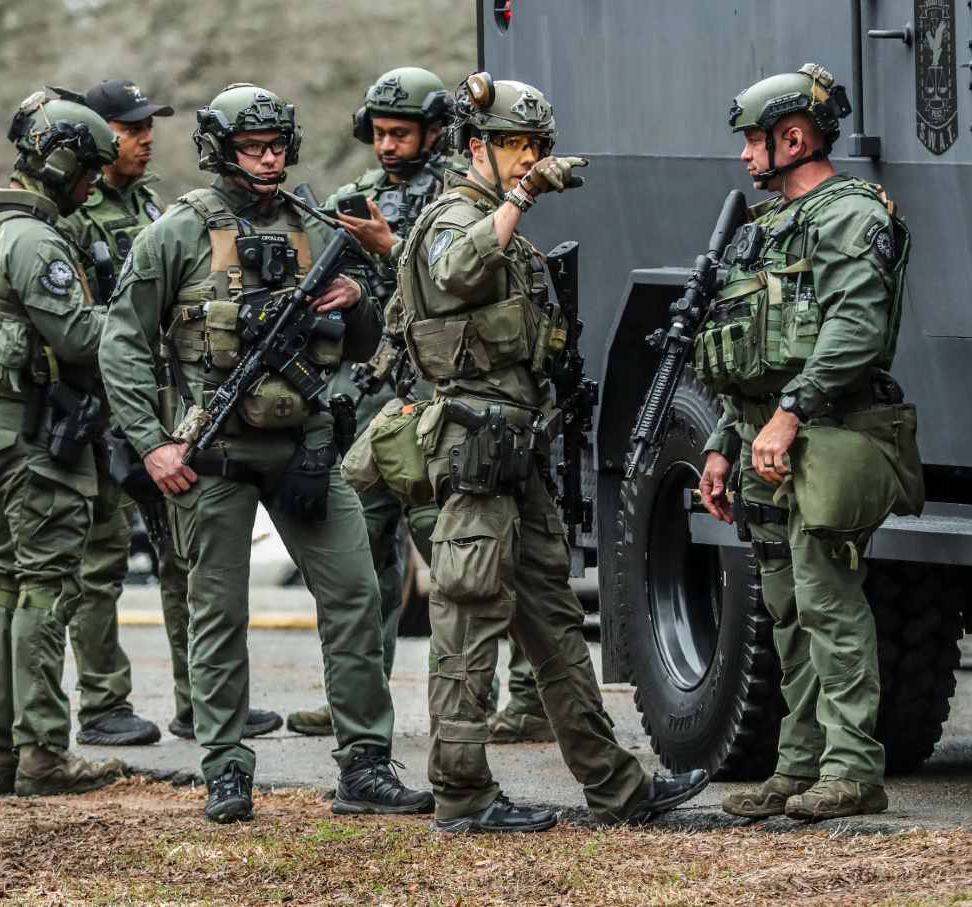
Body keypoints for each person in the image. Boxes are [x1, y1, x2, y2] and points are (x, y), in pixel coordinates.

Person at [100, 83, 433, 824]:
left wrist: (355, 300)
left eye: (278, 144)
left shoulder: (318, 226)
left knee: (356, 596)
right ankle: (225, 769)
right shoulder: (177, 233)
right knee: (218, 615)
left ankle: (365, 765)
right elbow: (121, 340)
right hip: (211, 455)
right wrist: (152, 443)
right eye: (253, 147)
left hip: (307, 450)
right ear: (221, 152)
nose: (269, 157)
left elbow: (372, 343)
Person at [398, 73, 710, 832]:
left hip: (520, 454)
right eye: (512, 144)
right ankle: (463, 793)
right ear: (477, 147)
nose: (528, 159)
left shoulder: (508, 229)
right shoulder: (451, 217)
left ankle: (616, 787)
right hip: (476, 453)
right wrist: (520, 197)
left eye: (537, 147)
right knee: (470, 614)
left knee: (557, 622)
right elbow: (453, 273)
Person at [289, 67, 550, 744]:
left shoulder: (462, 199)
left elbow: (454, 281)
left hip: (449, 400)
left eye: (401, 133)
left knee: (476, 558)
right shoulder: (350, 202)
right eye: (378, 133)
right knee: (361, 554)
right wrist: (347, 300)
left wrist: (387, 250)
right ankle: (355, 694)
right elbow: (339, 313)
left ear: (437, 132)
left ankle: (518, 695)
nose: (387, 145)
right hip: (382, 403)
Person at [699, 65, 916, 822]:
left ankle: (854, 767)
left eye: (754, 141)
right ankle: (798, 765)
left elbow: (854, 330)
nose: (744, 156)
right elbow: (752, 350)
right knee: (786, 608)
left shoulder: (851, 216)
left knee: (828, 601)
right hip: (771, 442)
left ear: (794, 137)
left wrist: (789, 414)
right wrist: (726, 441)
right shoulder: (765, 231)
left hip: (834, 433)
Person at [58, 78, 282, 744]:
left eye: (147, 126)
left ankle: (201, 702)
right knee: (98, 563)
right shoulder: (73, 215)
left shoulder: (152, 207)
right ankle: (102, 705)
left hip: (166, 412)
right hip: (95, 411)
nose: (145, 137)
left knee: (184, 558)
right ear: (96, 138)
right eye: (130, 128)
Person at [0, 89, 127, 796]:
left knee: (8, 586)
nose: (92, 187)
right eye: (88, 172)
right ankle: (44, 751)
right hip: (31, 429)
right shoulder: (33, 239)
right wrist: (135, 318)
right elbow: (77, 336)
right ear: (61, 163)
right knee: (46, 589)